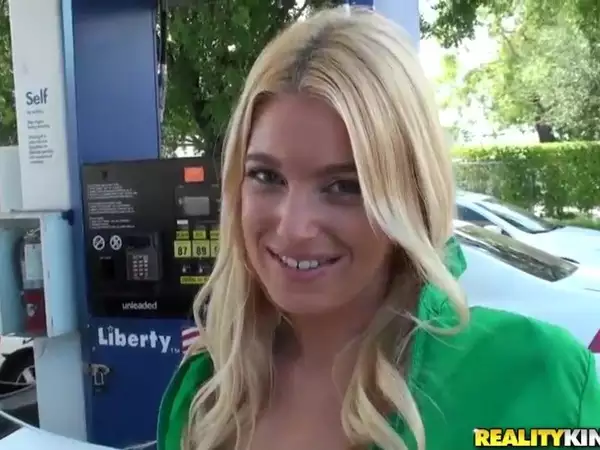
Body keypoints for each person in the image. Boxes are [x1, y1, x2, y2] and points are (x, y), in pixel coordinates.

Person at [157, 6, 600, 450]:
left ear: (411, 195)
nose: (293, 228)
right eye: (266, 176)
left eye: (344, 186)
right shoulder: (207, 389)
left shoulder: (530, 377)